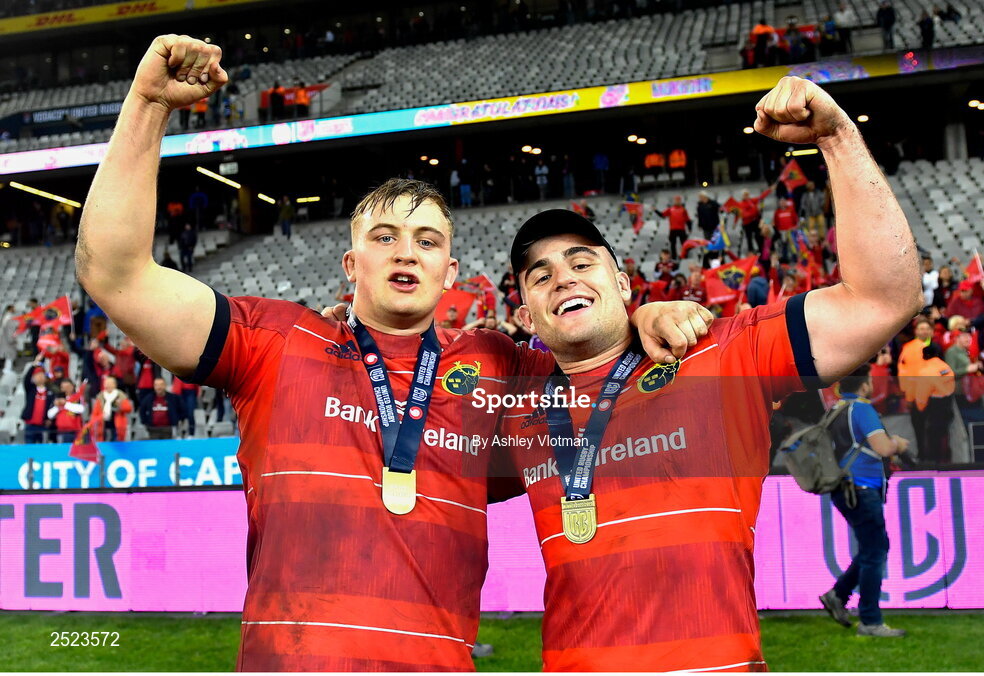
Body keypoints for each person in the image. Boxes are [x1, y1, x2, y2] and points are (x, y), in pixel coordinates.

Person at [77, 33, 709, 672]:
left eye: (427, 240)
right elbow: (115, 272)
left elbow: (595, 363)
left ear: (449, 270)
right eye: (386, 237)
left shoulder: (498, 362)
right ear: (352, 263)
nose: (407, 251)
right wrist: (149, 104)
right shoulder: (274, 342)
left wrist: (641, 316)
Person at [495, 75, 922, 670]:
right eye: (538, 275)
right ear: (524, 314)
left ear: (622, 284)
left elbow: (884, 299)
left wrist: (837, 137)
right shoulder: (512, 408)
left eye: (581, 260)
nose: (562, 277)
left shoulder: (723, 355)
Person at [819, 365, 910, 637]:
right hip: (861, 488)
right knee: (875, 551)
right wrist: (899, 444)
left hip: (843, 486)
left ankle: (838, 594)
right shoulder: (862, 409)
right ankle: (869, 620)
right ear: (866, 384)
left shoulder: (836, 409)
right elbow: (882, 447)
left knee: (873, 548)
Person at [21, 358, 54, 443]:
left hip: (43, 425)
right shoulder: (30, 390)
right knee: (29, 449)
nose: (39, 376)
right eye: (36, 375)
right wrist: (34, 364)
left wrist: (50, 420)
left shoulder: (51, 393)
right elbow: (26, 379)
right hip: (30, 425)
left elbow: (53, 408)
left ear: (45, 378)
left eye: (41, 374)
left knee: (42, 450)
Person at [48, 378, 86, 443]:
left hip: (75, 431)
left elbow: (82, 409)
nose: (66, 389)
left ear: (72, 387)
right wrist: (58, 407)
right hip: (61, 432)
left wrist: (65, 404)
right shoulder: (57, 398)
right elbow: (50, 415)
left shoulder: (78, 397)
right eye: (63, 387)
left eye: (68, 387)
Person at [655, 195, 691, 260]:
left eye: (678, 200)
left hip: (681, 229)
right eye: (676, 200)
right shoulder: (670, 209)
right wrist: (655, 210)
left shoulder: (683, 210)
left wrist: (690, 228)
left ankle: (684, 257)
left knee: (684, 244)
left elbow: (687, 220)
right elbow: (662, 215)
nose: (677, 202)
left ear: (680, 201)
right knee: (672, 245)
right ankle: (674, 257)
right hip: (673, 229)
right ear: (674, 201)